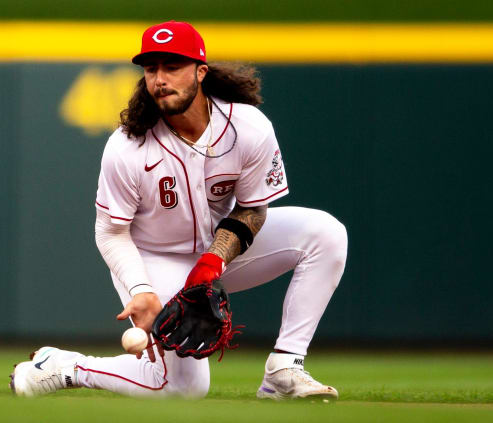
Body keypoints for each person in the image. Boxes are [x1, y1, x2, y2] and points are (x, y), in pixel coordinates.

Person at [10, 21, 347, 399]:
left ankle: (284, 368)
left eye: (172, 67)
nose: (160, 79)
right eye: (151, 68)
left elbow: (252, 211)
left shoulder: (248, 127)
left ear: (201, 72)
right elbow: (110, 231)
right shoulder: (128, 146)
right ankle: (64, 366)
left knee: (326, 233)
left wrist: (212, 263)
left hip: (219, 251)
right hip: (155, 258)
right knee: (184, 387)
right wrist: (140, 289)